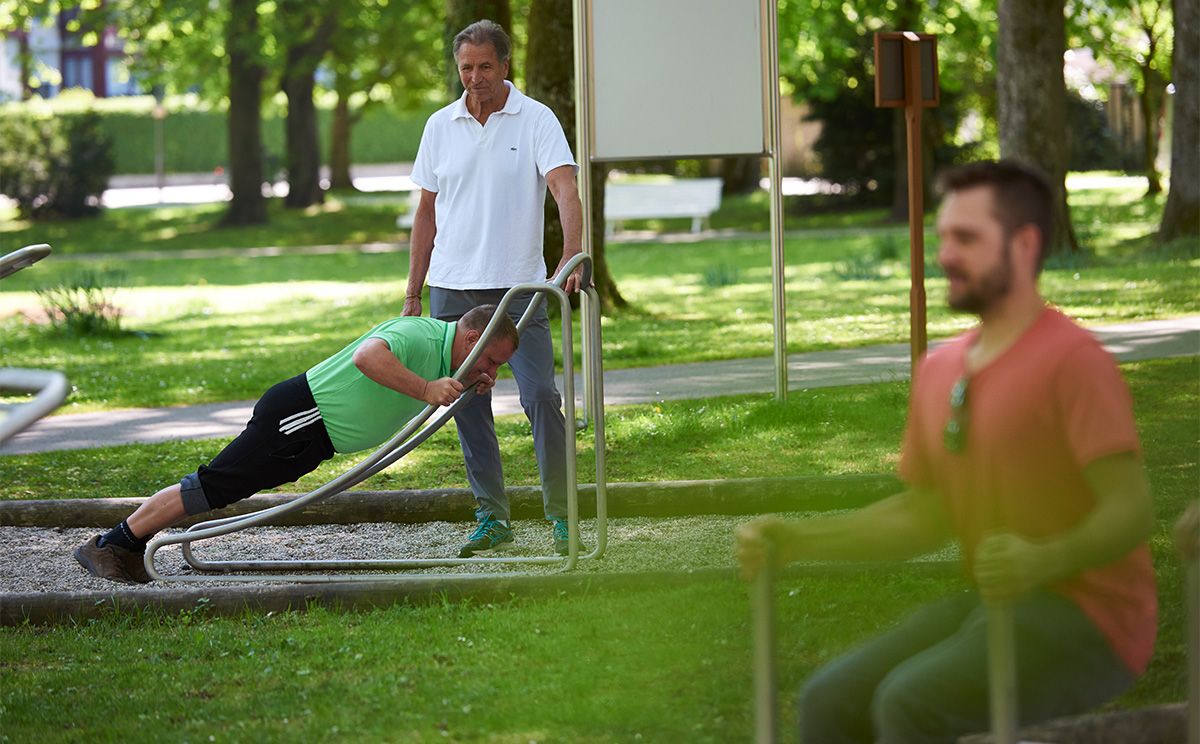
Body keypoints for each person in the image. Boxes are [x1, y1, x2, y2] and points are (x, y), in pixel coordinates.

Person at [735, 160, 1157, 742]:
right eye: (943, 238)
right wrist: (798, 540)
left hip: (1093, 621)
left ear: (1024, 245)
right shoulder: (940, 370)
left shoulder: (1073, 361)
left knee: (912, 705)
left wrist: (1044, 559)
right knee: (829, 700)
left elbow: (1130, 508)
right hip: (998, 601)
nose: (946, 256)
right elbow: (924, 514)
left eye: (966, 239)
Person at [74, 305, 519, 584]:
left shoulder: (447, 359)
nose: (492, 371)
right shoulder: (420, 335)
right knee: (213, 486)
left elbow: (430, 383)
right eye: (490, 360)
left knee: (220, 488)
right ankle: (111, 542)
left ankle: (128, 546)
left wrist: (466, 381)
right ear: (470, 338)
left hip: (314, 436)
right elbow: (367, 356)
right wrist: (425, 389)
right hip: (302, 415)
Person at [403, 19, 585, 558]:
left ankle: (563, 515)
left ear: (505, 65)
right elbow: (426, 213)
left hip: (520, 288)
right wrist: (413, 291)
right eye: (466, 67)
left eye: (485, 66)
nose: (475, 77)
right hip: (453, 287)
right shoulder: (440, 125)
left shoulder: (536, 118)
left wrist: (571, 255)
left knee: (541, 396)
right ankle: (491, 516)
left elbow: (564, 189)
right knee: (464, 404)